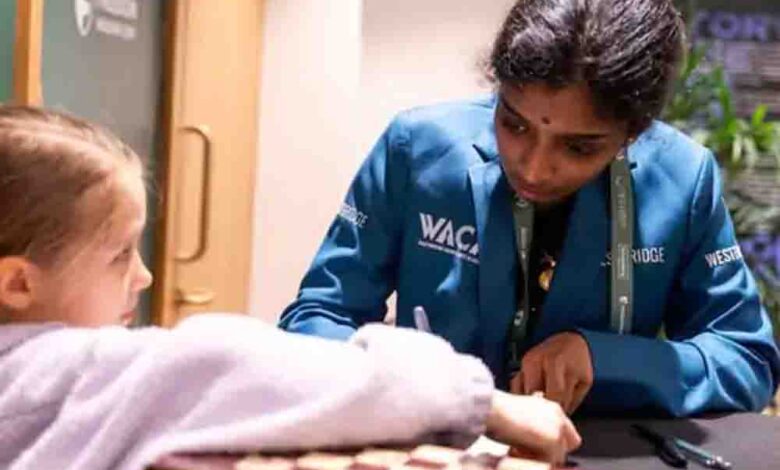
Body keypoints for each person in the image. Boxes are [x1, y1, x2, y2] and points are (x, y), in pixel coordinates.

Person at [0, 106, 581, 470]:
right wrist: (480, 399)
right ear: (18, 282)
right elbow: (220, 362)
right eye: (120, 255)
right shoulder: (59, 372)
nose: (144, 276)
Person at [279, 0, 780, 417]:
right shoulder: (415, 150)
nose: (535, 169)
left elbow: (746, 359)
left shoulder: (684, 178)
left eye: (579, 147)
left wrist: (606, 359)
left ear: (634, 132)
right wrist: (407, 382)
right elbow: (319, 314)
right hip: (435, 445)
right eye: (514, 124)